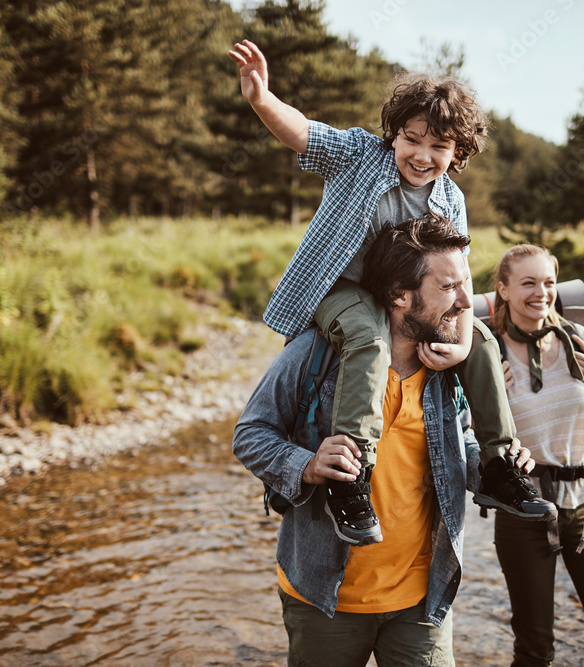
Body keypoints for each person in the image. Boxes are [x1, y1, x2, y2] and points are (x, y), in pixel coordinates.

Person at [228, 40, 554, 546]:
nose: (422, 156)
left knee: (486, 343)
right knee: (369, 335)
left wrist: (465, 341)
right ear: (394, 133)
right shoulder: (360, 156)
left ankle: (498, 464)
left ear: (458, 152)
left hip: (411, 294)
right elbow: (304, 134)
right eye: (412, 139)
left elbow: (459, 274)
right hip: (343, 288)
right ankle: (353, 474)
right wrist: (261, 99)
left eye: (439, 147)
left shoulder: (451, 198)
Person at [233, 214, 536, 666]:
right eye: (448, 287)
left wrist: (495, 464)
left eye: (466, 283)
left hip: (420, 599)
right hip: (324, 598)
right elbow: (250, 434)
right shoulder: (315, 354)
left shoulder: (448, 366)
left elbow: (459, 443)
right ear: (400, 295)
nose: (466, 301)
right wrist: (307, 464)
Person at [489, 244, 584, 666]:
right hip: (525, 513)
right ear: (503, 289)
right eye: (528, 283)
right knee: (535, 650)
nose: (542, 292)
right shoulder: (490, 357)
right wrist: (493, 401)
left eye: (549, 283)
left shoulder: (578, 340)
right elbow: (479, 445)